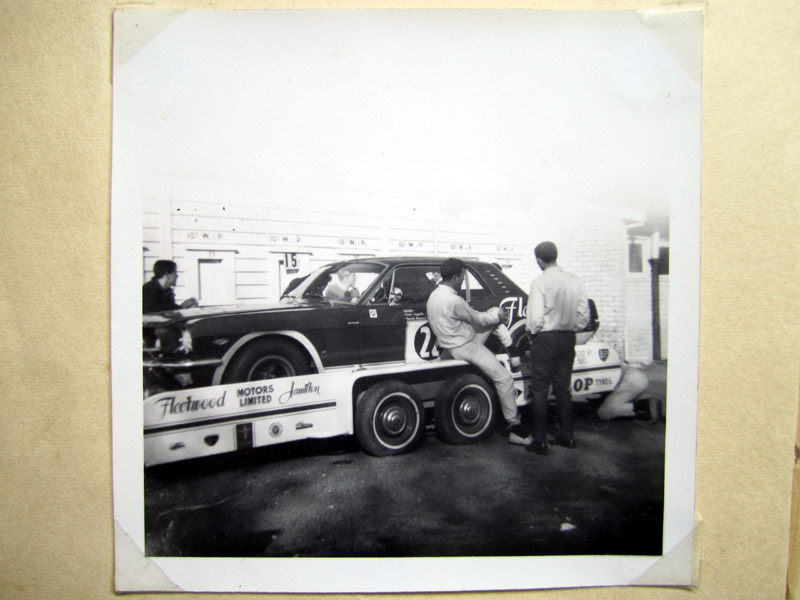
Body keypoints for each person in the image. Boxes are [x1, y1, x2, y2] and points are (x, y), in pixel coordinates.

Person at [426, 258, 531, 446]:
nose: (463, 282)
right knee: (504, 378)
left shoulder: (434, 296)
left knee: (493, 315)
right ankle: (516, 427)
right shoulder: (454, 300)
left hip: (449, 345)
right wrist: (497, 316)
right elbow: (479, 320)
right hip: (465, 346)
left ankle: (513, 353)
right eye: (463, 278)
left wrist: (493, 316)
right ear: (456, 277)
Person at [525, 241, 590, 455]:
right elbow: (583, 317)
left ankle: (540, 441)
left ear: (539, 260)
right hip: (567, 338)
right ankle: (568, 436)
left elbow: (535, 319)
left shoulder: (539, 283)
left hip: (545, 340)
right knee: (563, 389)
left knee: (540, 390)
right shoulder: (575, 281)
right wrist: (572, 327)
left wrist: (534, 335)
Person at [596, 361, 667, 422]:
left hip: (631, 380)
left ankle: (645, 405)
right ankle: (642, 404)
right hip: (635, 373)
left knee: (603, 413)